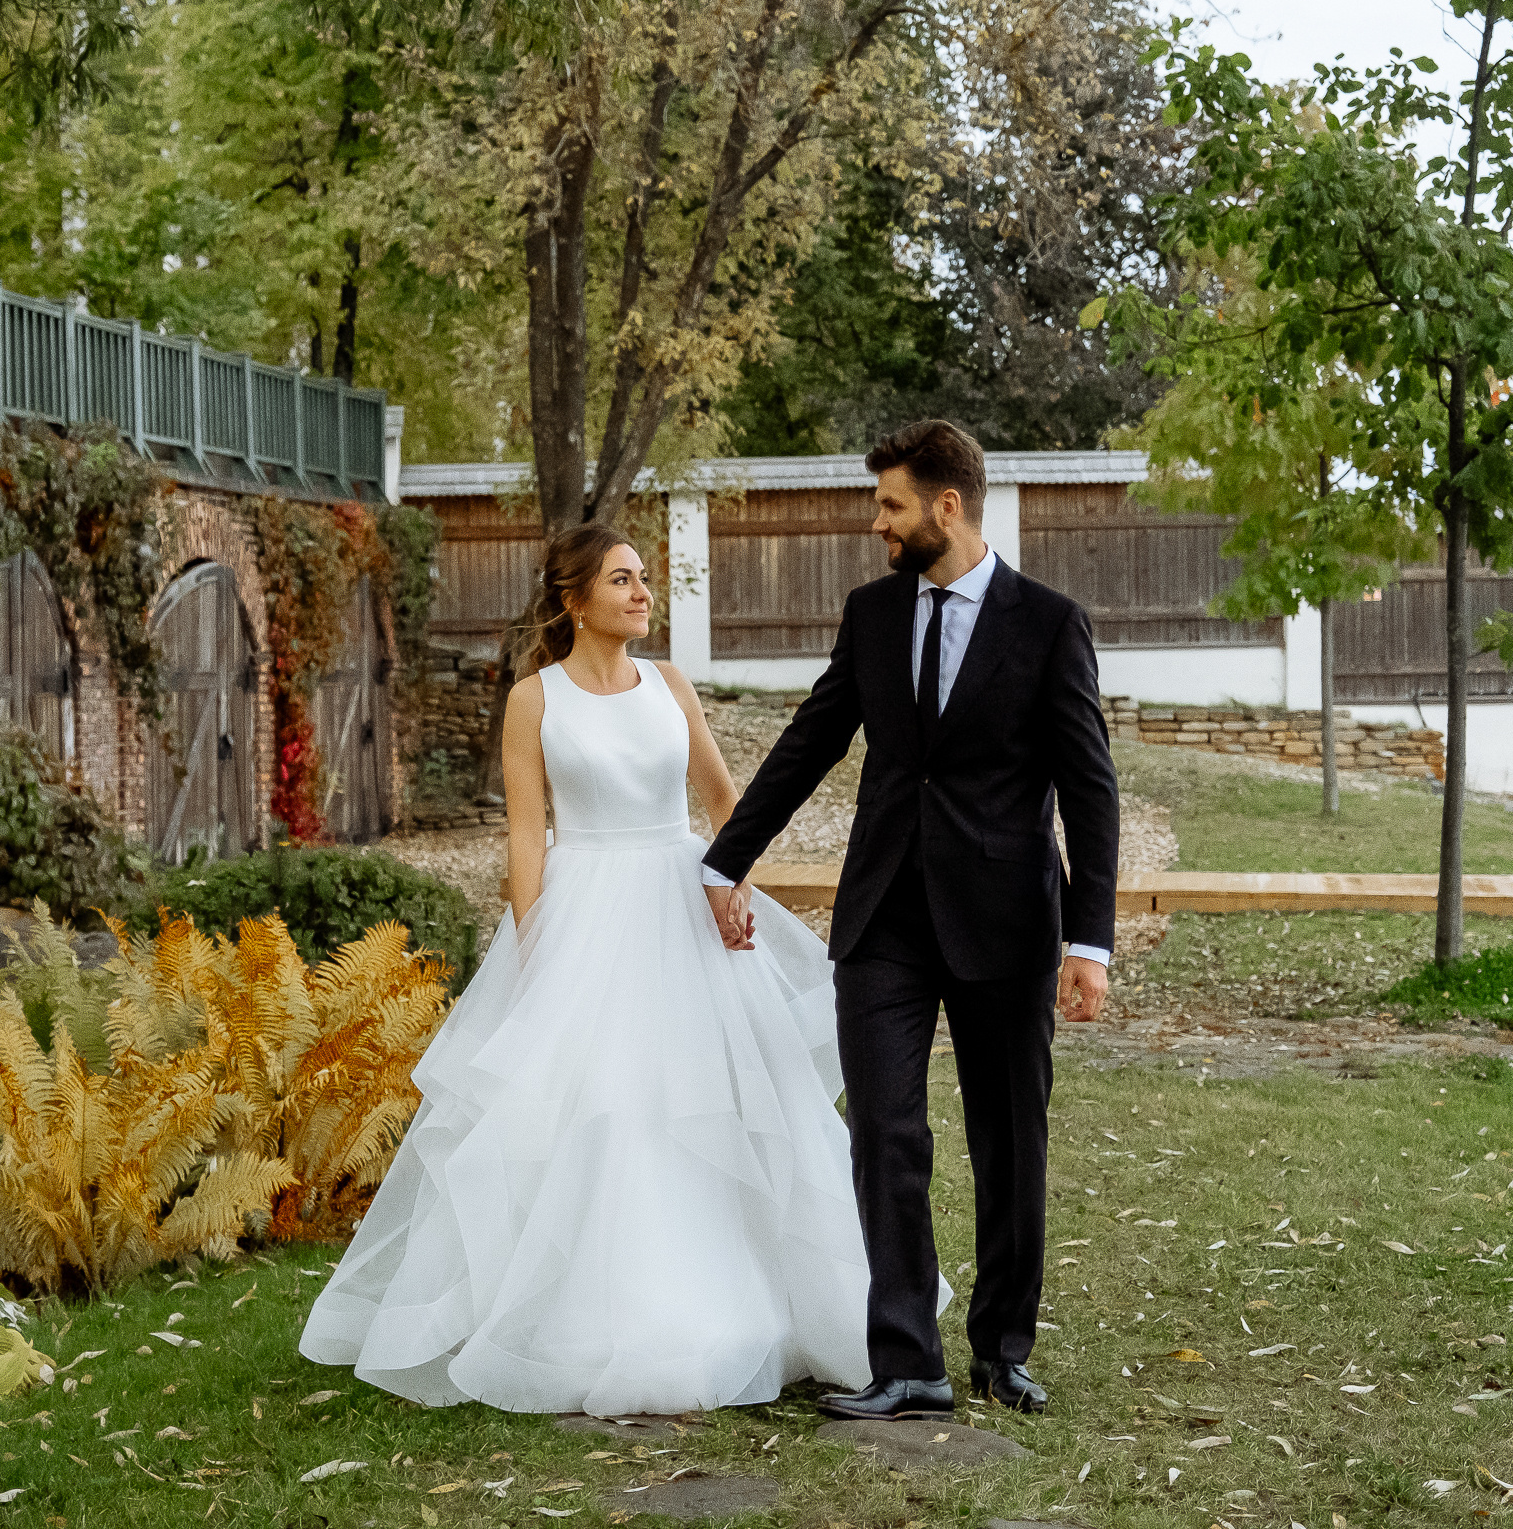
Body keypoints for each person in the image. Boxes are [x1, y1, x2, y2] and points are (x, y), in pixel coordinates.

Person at [299, 522, 931, 1416]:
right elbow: (525, 833)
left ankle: (771, 1303)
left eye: (644, 579)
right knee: (606, 1110)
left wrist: (733, 882)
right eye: (622, 580)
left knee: (725, 1104)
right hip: (586, 912)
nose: (643, 594)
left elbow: (723, 801)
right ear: (574, 600)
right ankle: (593, 1318)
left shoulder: (672, 686)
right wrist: (533, 948)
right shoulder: (534, 699)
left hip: (682, 907)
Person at [701, 418, 1121, 1421]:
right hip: (884, 912)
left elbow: (1089, 787)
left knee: (1007, 1138)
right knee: (885, 1130)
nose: (876, 523)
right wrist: (725, 856)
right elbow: (811, 740)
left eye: (890, 504)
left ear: (947, 505)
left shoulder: (1050, 623)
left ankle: (1002, 1345)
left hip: (1009, 920)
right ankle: (907, 1361)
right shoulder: (873, 614)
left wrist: (1090, 939)